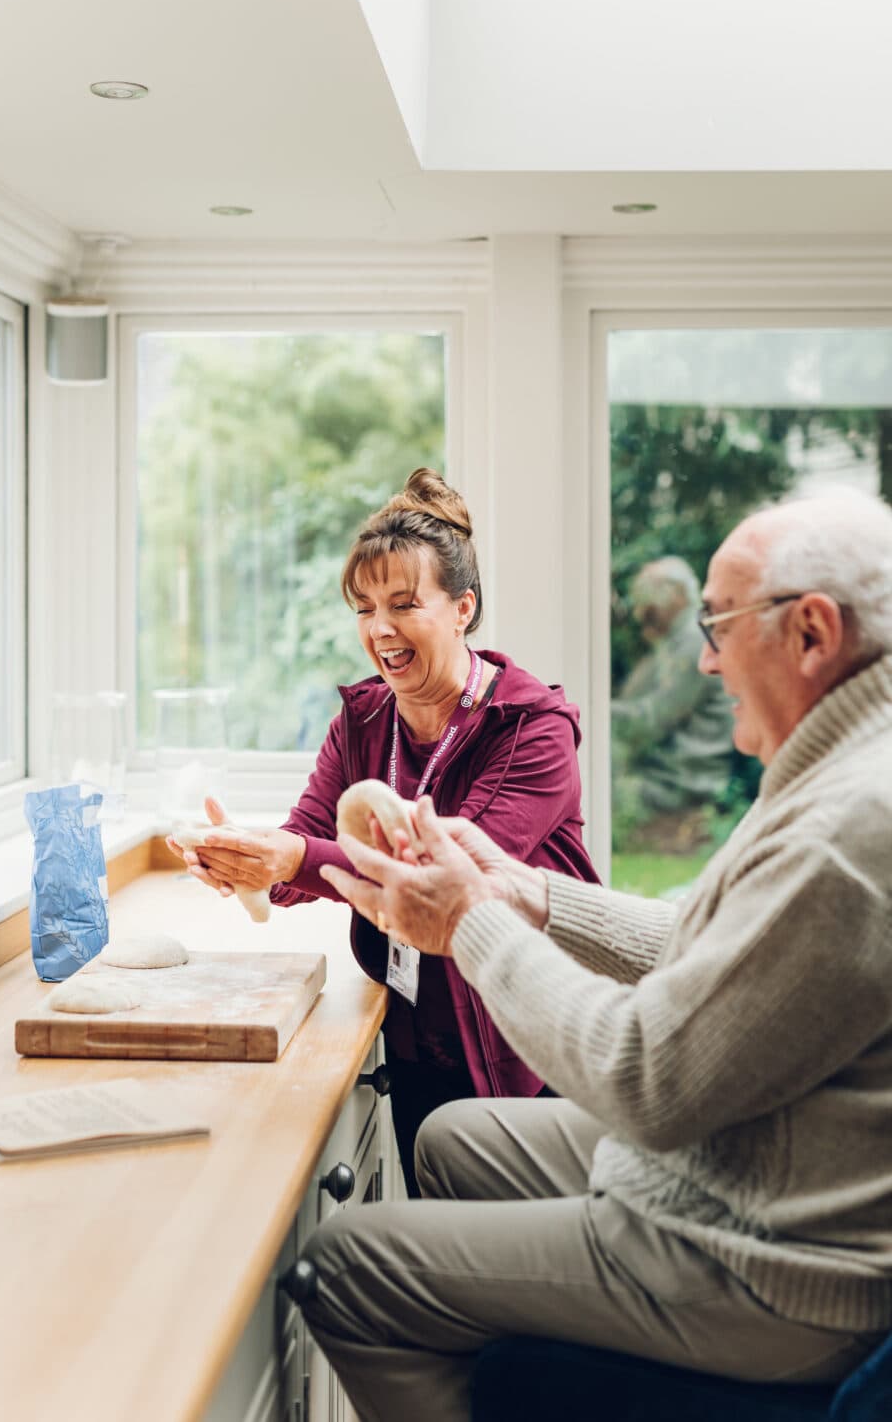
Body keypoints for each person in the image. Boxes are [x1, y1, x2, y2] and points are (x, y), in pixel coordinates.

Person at [295, 490, 892, 1422]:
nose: (702, 659)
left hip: (780, 1256)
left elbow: (645, 1076)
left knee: (345, 1266)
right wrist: (523, 891)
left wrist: (471, 926)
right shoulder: (842, 768)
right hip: (741, 1164)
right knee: (451, 1137)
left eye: (718, 626)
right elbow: (716, 943)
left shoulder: (850, 825)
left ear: (812, 633)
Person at [168, 468, 599, 1194]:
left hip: (531, 1047)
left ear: (463, 608)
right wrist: (248, 859)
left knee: (520, 1275)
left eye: (404, 604)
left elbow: (446, 879)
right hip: (419, 1031)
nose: (379, 629)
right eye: (364, 607)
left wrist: (296, 858)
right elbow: (306, 838)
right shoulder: (363, 719)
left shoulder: (531, 729)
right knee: (453, 1259)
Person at [611, 555, 734, 833]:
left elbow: (653, 720)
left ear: (676, 596)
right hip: (668, 773)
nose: (639, 614)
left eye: (647, 603)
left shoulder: (692, 643)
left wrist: (594, 712)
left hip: (682, 782)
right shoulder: (672, 642)